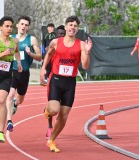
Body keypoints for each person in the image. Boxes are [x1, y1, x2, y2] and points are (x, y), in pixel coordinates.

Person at [40, 16, 92, 153]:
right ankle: (47, 110)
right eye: (70, 25)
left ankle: (51, 140)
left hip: (70, 83)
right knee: (54, 110)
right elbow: (49, 54)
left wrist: (87, 52)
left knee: (64, 115)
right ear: (66, 26)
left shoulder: (81, 44)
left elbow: (85, 66)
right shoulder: (56, 42)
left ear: (77, 29)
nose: (73, 27)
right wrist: (43, 69)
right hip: (56, 80)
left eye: (75, 26)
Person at [6, 16, 42, 132]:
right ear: (17, 25)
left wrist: (30, 53)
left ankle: (16, 104)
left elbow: (40, 57)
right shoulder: (10, 38)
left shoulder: (32, 40)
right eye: (22, 24)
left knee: (20, 98)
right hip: (12, 71)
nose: (23, 26)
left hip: (24, 73)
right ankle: (9, 121)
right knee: (10, 94)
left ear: (28, 27)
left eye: (26, 25)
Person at [45, 25, 66, 139]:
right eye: (60, 34)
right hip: (53, 78)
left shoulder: (69, 47)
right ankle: (49, 126)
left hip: (66, 80)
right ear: (56, 35)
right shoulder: (52, 47)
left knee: (63, 106)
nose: (62, 36)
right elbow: (47, 62)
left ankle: (56, 124)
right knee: (51, 104)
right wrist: (46, 75)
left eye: (63, 34)